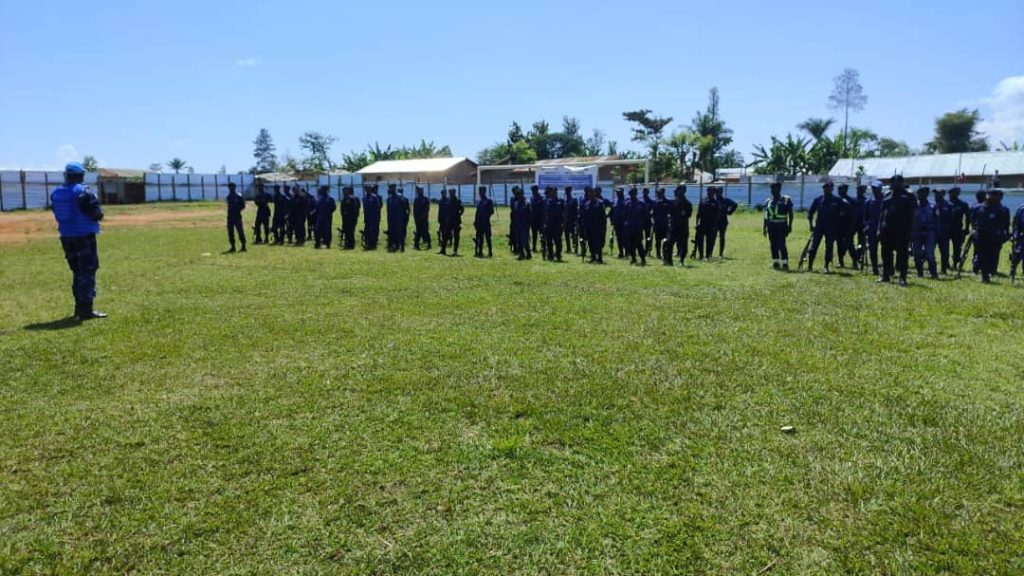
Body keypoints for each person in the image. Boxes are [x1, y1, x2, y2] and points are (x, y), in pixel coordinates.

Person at [51, 162, 106, 320]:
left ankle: (78, 308)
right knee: (87, 272)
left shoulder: (57, 193)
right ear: (80, 175)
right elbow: (96, 213)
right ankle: (86, 310)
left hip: (66, 236)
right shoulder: (83, 192)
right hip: (84, 236)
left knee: (77, 272)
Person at [878, 175, 916, 285]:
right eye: (893, 182)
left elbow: (913, 215)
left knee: (902, 255)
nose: (895, 184)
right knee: (886, 254)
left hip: (902, 231)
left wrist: (911, 231)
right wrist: (879, 229)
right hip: (887, 230)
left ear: (902, 183)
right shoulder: (887, 195)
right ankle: (886, 275)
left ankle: (902, 277)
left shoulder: (909, 196)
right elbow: (882, 213)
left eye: (898, 182)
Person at [806, 179, 841, 273]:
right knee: (814, 246)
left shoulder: (837, 200)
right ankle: (810, 266)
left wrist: (838, 226)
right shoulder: (818, 199)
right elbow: (810, 213)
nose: (826, 190)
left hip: (831, 227)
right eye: (825, 188)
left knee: (829, 247)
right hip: (819, 227)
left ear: (832, 189)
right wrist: (811, 225)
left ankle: (826, 266)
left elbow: (842, 214)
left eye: (828, 188)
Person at [972, 190, 1003, 283]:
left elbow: (1002, 223)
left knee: (991, 256)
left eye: (994, 196)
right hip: (980, 236)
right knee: (982, 256)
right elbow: (972, 219)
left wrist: (999, 234)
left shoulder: (999, 209)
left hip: (993, 237)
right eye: (990, 195)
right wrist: (974, 229)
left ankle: (989, 271)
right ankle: (984, 275)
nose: (991, 197)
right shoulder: (978, 208)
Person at [763, 180, 794, 270]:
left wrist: (790, 226)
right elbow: (766, 216)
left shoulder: (786, 199)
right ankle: (775, 261)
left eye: (775, 188)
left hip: (781, 226)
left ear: (779, 189)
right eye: (772, 189)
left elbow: (790, 214)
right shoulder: (768, 201)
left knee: (781, 244)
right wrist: (764, 227)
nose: (773, 190)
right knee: (773, 244)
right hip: (771, 226)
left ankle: (785, 262)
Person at [912, 187, 938, 279]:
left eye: (924, 193)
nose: (921, 195)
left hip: (929, 232)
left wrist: (936, 235)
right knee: (917, 254)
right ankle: (920, 273)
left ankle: (933, 273)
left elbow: (937, 220)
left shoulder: (933, 206)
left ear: (927, 195)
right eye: (919, 194)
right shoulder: (914, 206)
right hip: (917, 232)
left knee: (930, 254)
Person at [664, 185, 693, 267]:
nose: (675, 192)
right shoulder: (673, 202)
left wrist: (681, 215)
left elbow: (688, 215)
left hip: (682, 227)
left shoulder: (687, 203)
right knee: (669, 244)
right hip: (673, 227)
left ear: (683, 191)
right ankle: (669, 260)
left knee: (683, 245)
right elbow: (669, 213)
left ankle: (681, 260)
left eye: (677, 190)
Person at [862, 181, 885, 276]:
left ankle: (887, 269)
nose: (874, 190)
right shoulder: (868, 202)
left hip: (883, 229)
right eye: (873, 188)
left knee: (885, 250)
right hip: (871, 229)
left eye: (876, 188)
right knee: (872, 250)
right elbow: (865, 217)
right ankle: (875, 269)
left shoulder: (885, 201)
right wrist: (866, 226)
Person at [582, 187, 610, 264]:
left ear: (594, 193)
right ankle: (593, 257)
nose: (590, 194)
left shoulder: (600, 203)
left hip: (598, 227)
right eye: (589, 193)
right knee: (590, 243)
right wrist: (584, 226)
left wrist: (603, 228)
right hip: (589, 227)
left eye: (591, 192)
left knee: (598, 243)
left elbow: (603, 217)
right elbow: (584, 216)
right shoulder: (586, 204)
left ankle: (599, 258)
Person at [835, 183, 858, 269]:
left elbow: (854, 216)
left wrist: (853, 227)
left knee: (849, 244)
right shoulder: (836, 200)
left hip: (848, 226)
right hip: (838, 226)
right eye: (839, 189)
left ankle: (855, 262)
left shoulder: (851, 201)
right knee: (839, 245)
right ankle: (841, 262)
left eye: (841, 189)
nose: (839, 191)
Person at [624, 187, 649, 265]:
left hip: (638, 228)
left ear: (636, 194)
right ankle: (633, 258)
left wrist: (643, 225)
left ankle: (643, 259)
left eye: (633, 193)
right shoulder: (627, 204)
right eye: (630, 194)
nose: (632, 195)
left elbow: (646, 215)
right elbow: (624, 215)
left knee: (639, 244)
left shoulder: (641, 204)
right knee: (630, 244)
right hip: (629, 227)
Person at [694, 187, 720, 259]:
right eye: (708, 191)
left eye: (711, 192)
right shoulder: (703, 201)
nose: (709, 193)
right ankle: (701, 255)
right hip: (702, 223)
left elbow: (718, 215)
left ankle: (708, 255)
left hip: (711, 224)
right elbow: (698, 213)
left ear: (714, 193)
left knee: (710, 241)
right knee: (700, 241)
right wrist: (696, 223)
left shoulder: (716, 203)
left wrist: (715, 225)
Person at [948, 187, 970, 270]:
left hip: (957, 229)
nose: (956, 194)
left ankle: (955, 263)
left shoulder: (962, 204)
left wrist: (966, 228)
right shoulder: (946, 203)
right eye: (954, 192)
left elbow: (968, 217)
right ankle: (945, 263)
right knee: (944, 248)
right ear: (950, 193)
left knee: (957, 248)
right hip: (946, 229)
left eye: (957, 192)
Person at [933, 188, 954, 274]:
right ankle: (932, 267)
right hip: (933, 232)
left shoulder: (949, 205)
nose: (936, 195)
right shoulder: (932, 205)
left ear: (943, 194)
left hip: (944, 232)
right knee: (930, 250)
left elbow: (952, 219)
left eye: (938, 194)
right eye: (935, 194)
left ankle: (944, 268)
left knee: (944, 251)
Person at [715, 187, 738, 258]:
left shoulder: (725, 200)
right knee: (712, 237)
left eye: (719, 192)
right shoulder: (714, 200)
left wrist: (729, 212)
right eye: (716, 192)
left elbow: (735, 204)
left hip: (723, 221)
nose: (717, 193)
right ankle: (710, 253)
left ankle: (720, 253)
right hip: (714, 221)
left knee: (722, 237)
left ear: (721, 192)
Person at [543, 186, 565, 261]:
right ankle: (550, 255)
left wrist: (563, 223)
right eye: (551, 192)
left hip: (558, 224)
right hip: (549, 224)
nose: (552, 193)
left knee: (558, 240)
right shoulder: (546, 201)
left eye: (554, 191)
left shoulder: (560, 201)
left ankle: (558, 255)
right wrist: (544, 223)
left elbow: (564, 213)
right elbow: (544, 213)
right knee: (549, 240)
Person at [510, 186, 532, 260]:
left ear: (522, 194)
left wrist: (528, 224)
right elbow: (512, 214)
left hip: (524, 225)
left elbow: (529, 214)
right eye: (516, 194)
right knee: (518, 240)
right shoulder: (515, 203)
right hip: (517, 224)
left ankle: (528, 253)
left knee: (524, 240)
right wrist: (513, 223)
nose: (517, 195)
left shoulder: (526, 203)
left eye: (519, 194)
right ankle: (521, 254)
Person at [225, 182, 247, 253]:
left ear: (235, 187)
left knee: (240, 231)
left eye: (232, 187)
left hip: (237, 216)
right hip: (230, 217)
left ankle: (243, 246)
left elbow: (243, 206)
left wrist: (237, 209)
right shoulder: (228, 197)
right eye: (230, 187)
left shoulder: (239, 196)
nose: (231, 189)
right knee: (230, 232)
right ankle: (233, 247)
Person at [474, 186, 495, 258]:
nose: (480, 193)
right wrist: (475, 221)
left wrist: (486, 216)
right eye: (479, 191)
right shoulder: (480, 202)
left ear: (485, 191)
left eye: (481, 191)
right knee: (480, 238)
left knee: (488, 237)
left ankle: (490, 251)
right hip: (479, 222)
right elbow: (477, 212)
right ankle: (480, 251)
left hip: (486, 222)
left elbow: (492, 211)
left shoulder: (489, 201)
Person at [652, 188, 671, 260]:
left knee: (665, 240)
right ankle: (658, 254)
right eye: (657, 193)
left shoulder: (668, 202)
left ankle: (664, 253)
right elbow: (653, 212)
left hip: (665, 224)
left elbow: (670, 211)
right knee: (657, 240)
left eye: (659, 193)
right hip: (657, 224)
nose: (658, 194)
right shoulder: (655, 202)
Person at [445, 188, 464, 256]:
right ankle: (443, 249)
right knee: (446, 235)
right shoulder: (449, 200)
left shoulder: (457, 201)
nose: (450, 194)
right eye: (450, 193)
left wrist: (458, 215)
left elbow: (462, 209)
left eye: (451, 193)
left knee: (456, 236)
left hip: (455, 221)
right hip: (449, 220)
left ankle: (455, 251)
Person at [363, 185, 382, 250]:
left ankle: (372, 245)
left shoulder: (374, 197)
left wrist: (376, 218)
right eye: (367, 189)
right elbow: (364, 209)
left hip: (373, 218)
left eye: (369, 189)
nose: (368, 190)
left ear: (371, 189)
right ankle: (367, 244)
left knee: (373, 232)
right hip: (367, 218)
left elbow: (377, 209)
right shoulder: (364, 198)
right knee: (367, 231)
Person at [611, 187, 628, 258]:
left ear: (622, 192)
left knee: (625, 238)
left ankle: (627, 252)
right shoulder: (615, 201)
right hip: (617, 223)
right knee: (619, 238)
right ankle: (621, 253)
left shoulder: (626, 200)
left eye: (619, 192)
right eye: (617, 192)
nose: (617, 193)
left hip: (623, 223)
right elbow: (612, 211)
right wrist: (612, 220)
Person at [529, 186, 545, 256]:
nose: (533, 192)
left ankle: (543, 247)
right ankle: (534, 247)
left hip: (540, 219)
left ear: (537, 190)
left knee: (541, 234)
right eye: (532, 191)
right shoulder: (532, 198)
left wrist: (543, 219)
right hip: (533, 219)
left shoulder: (541, 198)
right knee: (534, 234)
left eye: (534, 190)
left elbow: (543, 209)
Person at [385, 184, 402, 252]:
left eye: (393, 188)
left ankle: (398, 245)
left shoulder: (399, 197)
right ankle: (392, 245)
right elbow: (388, 209)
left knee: (398, 232)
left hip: (398, 218)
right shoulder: (389, 198)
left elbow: (403, 207)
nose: (392, 190)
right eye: (391, 189)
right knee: (391, 232)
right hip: (391, 218)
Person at [563, 187, 579, 255]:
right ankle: (568, 248)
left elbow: (576, 211)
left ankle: (575, 248)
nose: (567, 192)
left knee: (573, 235)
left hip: (572, 220)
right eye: (566, 191)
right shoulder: (565, 200)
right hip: (566, 220)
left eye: (568, 191)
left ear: (570, 191)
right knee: (566, 235)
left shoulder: (574, 199)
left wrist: (576, 220)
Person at [641, 187, 654, 254]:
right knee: (639, 235)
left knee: (648, 236)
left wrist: (650, 215)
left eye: (646, 191)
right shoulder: (640, 200)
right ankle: (641, 248)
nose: (644, 193)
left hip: (647, 221)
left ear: (648, 192)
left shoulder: (650, 201)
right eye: (644, 191)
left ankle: (647, 249)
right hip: (640, 220)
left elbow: (654, 210)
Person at [398, 187, 411, 251]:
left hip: (402, 217)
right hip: (403, 217)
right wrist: (407, 216)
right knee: (403, 230)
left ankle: (402, 241)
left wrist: (407, 216)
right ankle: (402, 241)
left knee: (402, 230)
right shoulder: (405, 199)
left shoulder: (403, 199)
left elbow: (408, 209)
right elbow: (408, 210)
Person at [437, 188, 450, 254]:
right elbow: (439, 210)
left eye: (444, 193)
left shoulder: (448, 200)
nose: (443, 194)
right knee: (442, 231)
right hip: (442, 218)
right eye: (442, 193)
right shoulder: (440, 201)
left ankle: (448, 242)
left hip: (447, 219)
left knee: (446, 232)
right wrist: (438, 218)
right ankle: (443, 244)